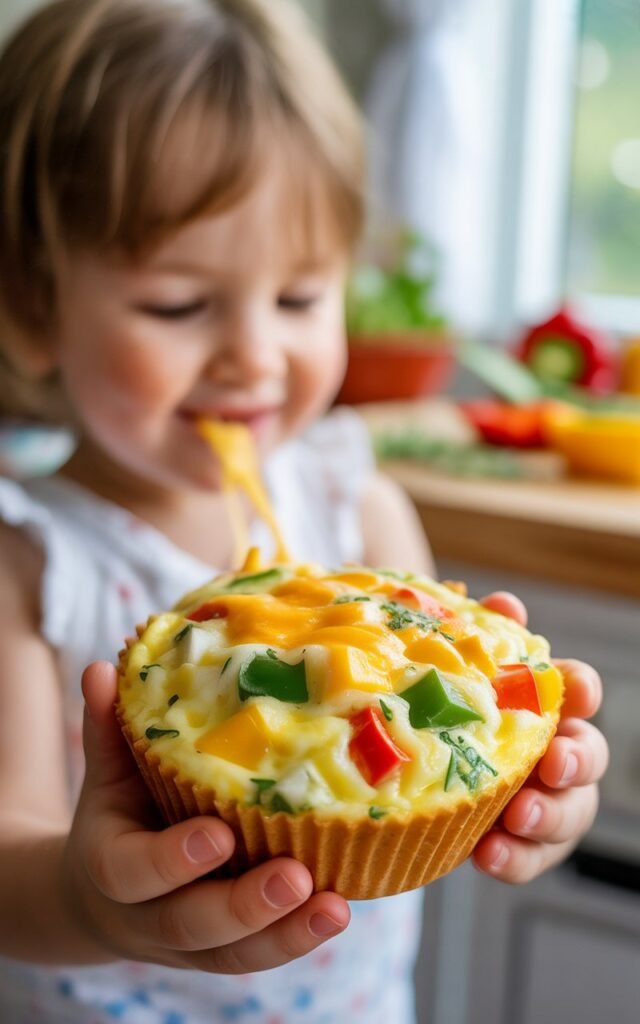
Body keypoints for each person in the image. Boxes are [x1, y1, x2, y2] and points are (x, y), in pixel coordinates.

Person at [0, 1, 608, 1021]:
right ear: (31, 306)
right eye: (179, 305)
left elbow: (454, 784)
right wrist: (90, 903)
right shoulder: (28, 566)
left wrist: (543, 806)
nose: (254, 356)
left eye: (299, 299)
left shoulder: (355, 501)